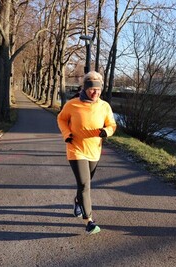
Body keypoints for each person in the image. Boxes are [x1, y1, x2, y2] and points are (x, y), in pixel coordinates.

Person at [57, 71, 117, 235]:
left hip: (94, 151)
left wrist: (107, 131)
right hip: (75, 149)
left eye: (98, 90)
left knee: (84, 184)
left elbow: (112, 124)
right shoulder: (72, 104)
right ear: (85, 88)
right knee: (85, 185)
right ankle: (89, 221)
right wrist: (66, 134)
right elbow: (61, 119)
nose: (95, 92)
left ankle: (78, 201)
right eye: (92, 89)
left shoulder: (104, 106)